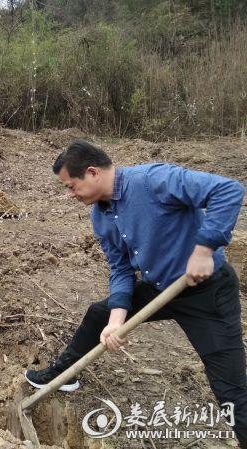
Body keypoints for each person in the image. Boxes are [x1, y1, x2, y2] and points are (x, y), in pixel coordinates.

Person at [25, 140, 246, 445]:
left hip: (206, 293)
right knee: (99, 314)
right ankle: (63, 374)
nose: (70, 194)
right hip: (160, 288)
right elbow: (121, 269)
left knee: (230, 389)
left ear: (91, 173)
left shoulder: (154, 180)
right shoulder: (100, 216)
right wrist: (116, 320)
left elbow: (228, 190)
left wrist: (204, 249)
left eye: (71, 186)